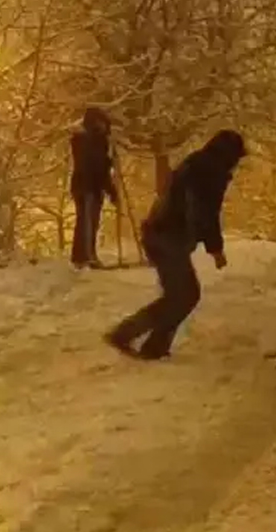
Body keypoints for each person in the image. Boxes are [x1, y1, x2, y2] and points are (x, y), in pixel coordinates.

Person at [104, 130, 248, 360]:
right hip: (167, 236)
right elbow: (205, 212)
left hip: (159, 232)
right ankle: (130, 335)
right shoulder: (210, 172)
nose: (236, 165)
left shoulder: (197, 163)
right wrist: (215, 249)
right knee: (184, 295)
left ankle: (150, 344)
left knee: (181, 295)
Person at [69, 107, 119, 268]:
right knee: (87, 221)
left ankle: (83, 256)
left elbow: (100, 166)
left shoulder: (95, 140)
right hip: (86, 185)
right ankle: (85, 257)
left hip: (91, 185)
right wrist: (110, 188)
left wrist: (108, 162)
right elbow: (96, 165)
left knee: (89, 221)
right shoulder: (87, 140)